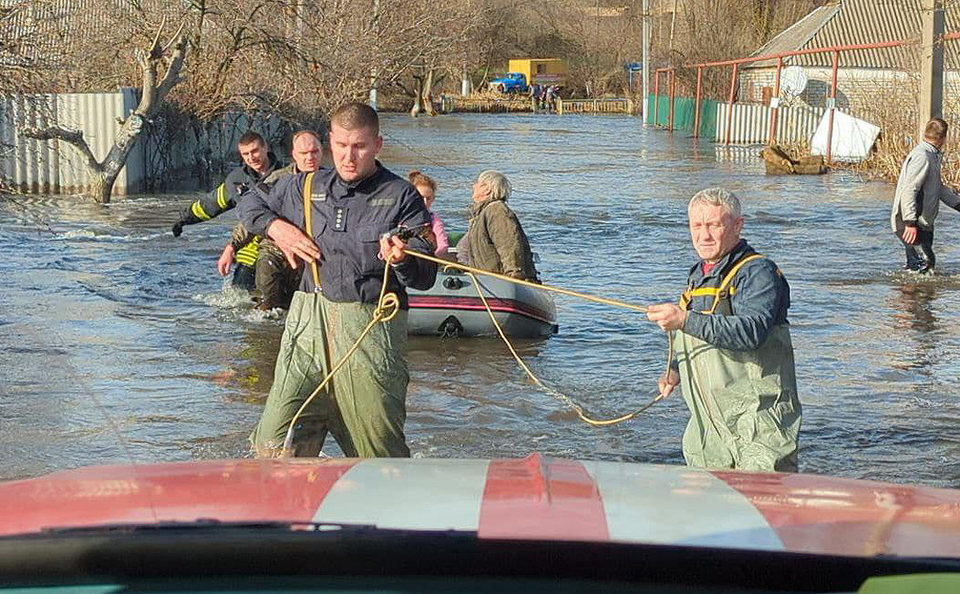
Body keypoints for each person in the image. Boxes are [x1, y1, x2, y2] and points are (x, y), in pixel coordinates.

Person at [238, 102, 437, 458]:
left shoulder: (400, 196)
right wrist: (277, 227)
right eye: (341, 146)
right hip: (305, 332)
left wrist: (404, 256)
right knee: (272, 446)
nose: (349, 157)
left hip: (369, 335)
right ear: (330, 142)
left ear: (377, 145)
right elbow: (249, 204)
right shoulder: (303, 186)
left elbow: (425, 275)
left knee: (379, 455)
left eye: (359, 147)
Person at [646, 187, 801, 473]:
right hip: (708, 424)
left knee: (765, 502)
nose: (703, 235)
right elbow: (697, 334)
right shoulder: (698, 274)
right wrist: (675, 370)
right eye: (696, 225)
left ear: (737, 226)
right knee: (706, 505)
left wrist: (683, 320)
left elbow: (751, 331)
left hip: (758, 421)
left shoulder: (759, 273)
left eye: (714, 225)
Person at [218, 130, 323, 310]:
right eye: (304, 154)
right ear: (294, 155)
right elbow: (253, 214)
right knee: (266, 311)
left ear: (322, 151)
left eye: (314, 152)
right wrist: (231, 247)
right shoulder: (277, 180)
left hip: (312, 253)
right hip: (274, 253)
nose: (309, 158)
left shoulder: (334, 182)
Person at [172, 131, 282, 290]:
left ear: (266, 148)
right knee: (239, 299)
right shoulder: (237, 180)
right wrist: (183, 219)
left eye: (255, 151)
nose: (251, 157)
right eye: (246, 154)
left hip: (280, 250)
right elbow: (212, 203)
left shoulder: (288, 174)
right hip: (248, 251)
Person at [890, 117, 960, 274]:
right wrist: (910, 222)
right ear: (943, 137)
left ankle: (910, 295)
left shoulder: (931, 154)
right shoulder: (922, 156)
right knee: (927, 265)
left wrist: (957, 204)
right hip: (911, 222)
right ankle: (911, 294)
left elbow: (938, 188)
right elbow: (909, 189)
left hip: (923, 223)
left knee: (918, 269)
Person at [457, 170, 538, 282]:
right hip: (484, 280)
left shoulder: (497, 210)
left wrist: (513, 277)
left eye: (477, 183)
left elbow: (509, 246)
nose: (473, 185)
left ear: (487, 189)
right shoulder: (482, 214)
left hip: (497, 281)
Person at [408, 170, 449, 257]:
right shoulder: (399, 217)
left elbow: (443, 245)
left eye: (428, 198)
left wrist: (433, 258)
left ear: (433, 198)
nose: (425, 202)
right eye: (421, 197)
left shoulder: (434, 220)